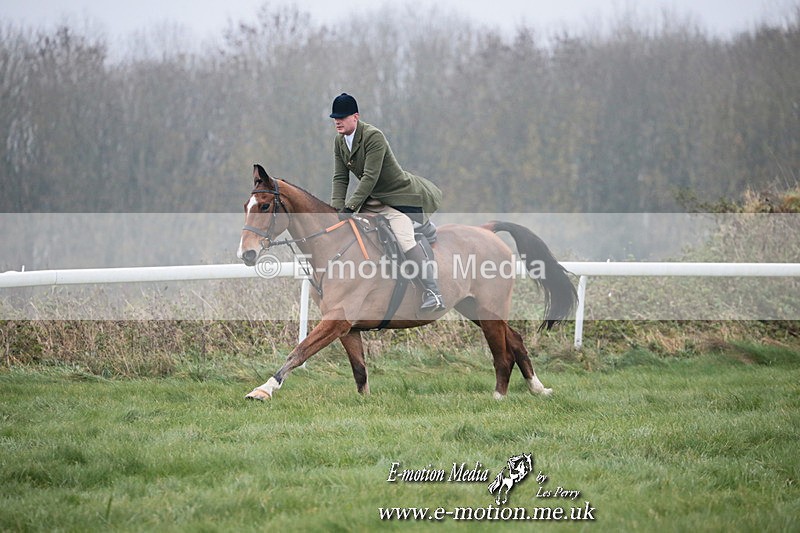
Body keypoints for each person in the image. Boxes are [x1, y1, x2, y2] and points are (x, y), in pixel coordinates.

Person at [328, 92, 445, 312]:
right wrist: (336, 209)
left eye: (342, 117)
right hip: (370, 200)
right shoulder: (339, 142)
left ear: (356, 116)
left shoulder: (373, 137)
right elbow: (340, 177)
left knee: (403, 239)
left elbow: (370, 177)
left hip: (396, 198)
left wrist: (350, 207)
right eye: (335, 117)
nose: (337, 121)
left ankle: (433, 292)